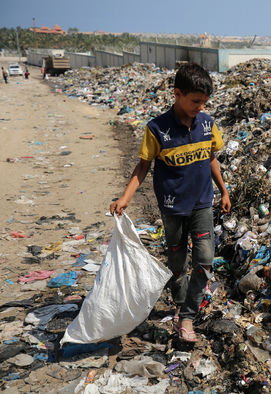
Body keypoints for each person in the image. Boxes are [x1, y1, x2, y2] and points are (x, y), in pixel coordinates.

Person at [110, 63, 231, 343]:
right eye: (195, 101)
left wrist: (223, 190)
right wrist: (125, 197)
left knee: (204, 260)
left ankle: (187, 316)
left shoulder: (207, 124)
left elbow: (211, 158)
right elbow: (143, 166)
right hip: (172, 207)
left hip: (202, 203)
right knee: (177, 262)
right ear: (177, 94)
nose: (200, 107)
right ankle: (180, 305)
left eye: (204, 102)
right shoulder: (157, 129)